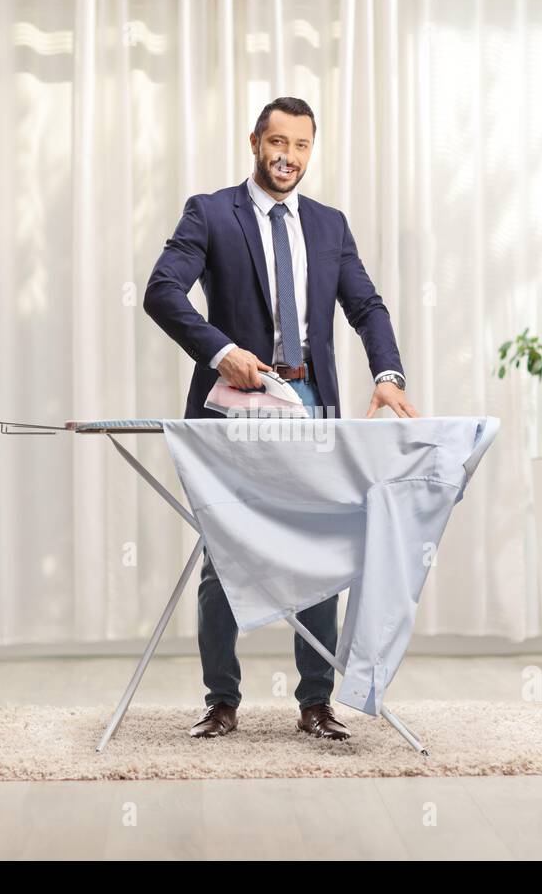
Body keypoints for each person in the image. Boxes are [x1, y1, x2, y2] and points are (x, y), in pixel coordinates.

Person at [143, 96, 419, 741]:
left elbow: (367, 307)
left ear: (310, 150)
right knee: (223, 549)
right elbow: (161, 290)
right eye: (277, 142)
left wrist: (387, 376)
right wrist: (220, 349)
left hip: (310, 405)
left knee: (320, 550)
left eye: (300, 145)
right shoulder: (211, 213)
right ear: (254, 142)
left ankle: (316, 704)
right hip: (232, 409)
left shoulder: (329, 226)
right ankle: (222, 701)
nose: (287, 156)